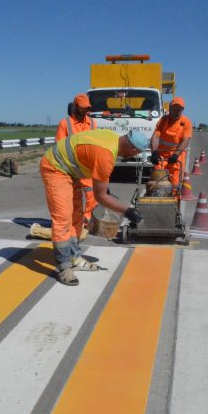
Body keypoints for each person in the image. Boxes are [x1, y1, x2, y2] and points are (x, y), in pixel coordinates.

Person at [40, 128, 147, 286]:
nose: (134, 156)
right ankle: (64, 266)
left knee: (76, 215)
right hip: (56, 167)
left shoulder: (111, 138)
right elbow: (101, 196)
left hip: (71, 170)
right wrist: (127, 211)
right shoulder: (106, 155)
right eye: (136, 153)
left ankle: (75, 257)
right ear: (132, 148)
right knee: (63, 217)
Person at [30, 94, 96, 241]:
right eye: (83, 108)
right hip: (70, 167)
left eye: (88, 108)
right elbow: (60, 147)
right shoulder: (65, 124)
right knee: (70, 199)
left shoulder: (92, 123)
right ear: (75, 106)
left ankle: (84, 222)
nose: (86, 111)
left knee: (92, 195)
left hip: (85, 168)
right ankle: (68, 226)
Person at [149, 96, 193, 189]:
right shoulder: (163, 120)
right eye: (174, 109)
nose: (176, 112)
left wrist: (176, 155)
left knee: (175, 182)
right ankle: (158, 199)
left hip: (177, 156)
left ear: (182, 110)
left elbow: (186, 140)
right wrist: (154, 152)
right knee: (158, 180)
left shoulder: (186, 122)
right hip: (162, 156)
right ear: (170, 108)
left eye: (179, 110)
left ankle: (174, 199)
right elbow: (155, 136)